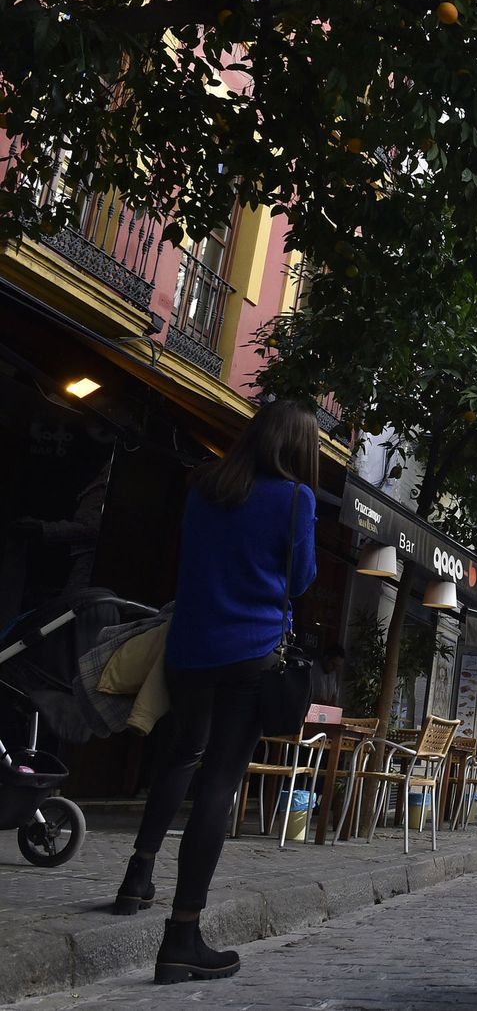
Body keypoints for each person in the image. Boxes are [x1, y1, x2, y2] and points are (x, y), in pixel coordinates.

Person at [112, 399, 320, 984]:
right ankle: (182, 934)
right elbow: (302, 579)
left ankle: (138, 873)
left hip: (188, 651)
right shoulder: (295, 499)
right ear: (298, 449)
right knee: (219, 785)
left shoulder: (205, 487)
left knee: (181, 753)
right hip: (249, 656)